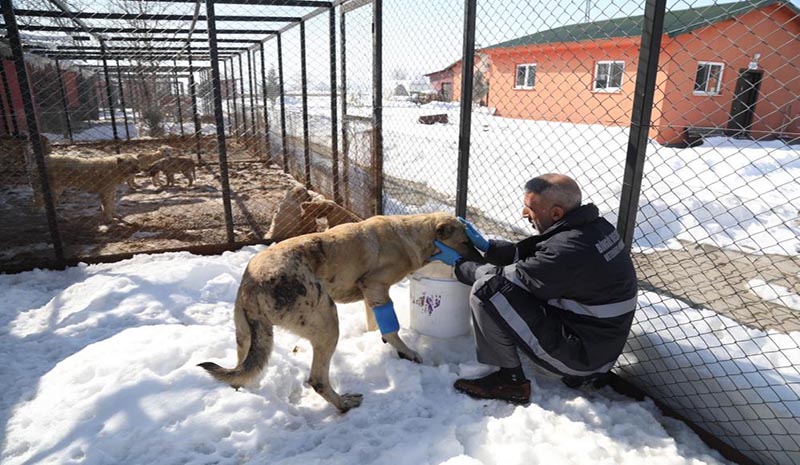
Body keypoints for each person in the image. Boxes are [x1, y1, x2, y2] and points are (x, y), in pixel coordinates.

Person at [430, 173, 638, 404]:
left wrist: (460, 264)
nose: (523, 213)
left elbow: (500, 278)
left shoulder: (566, 250)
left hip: (583, 358)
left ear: (556, 213)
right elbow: (535, 254)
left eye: (530, 208)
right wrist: (489, 248)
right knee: (509, 287)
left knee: (487, 290)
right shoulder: (593, 228)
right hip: (598, 346)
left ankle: (510, 382)